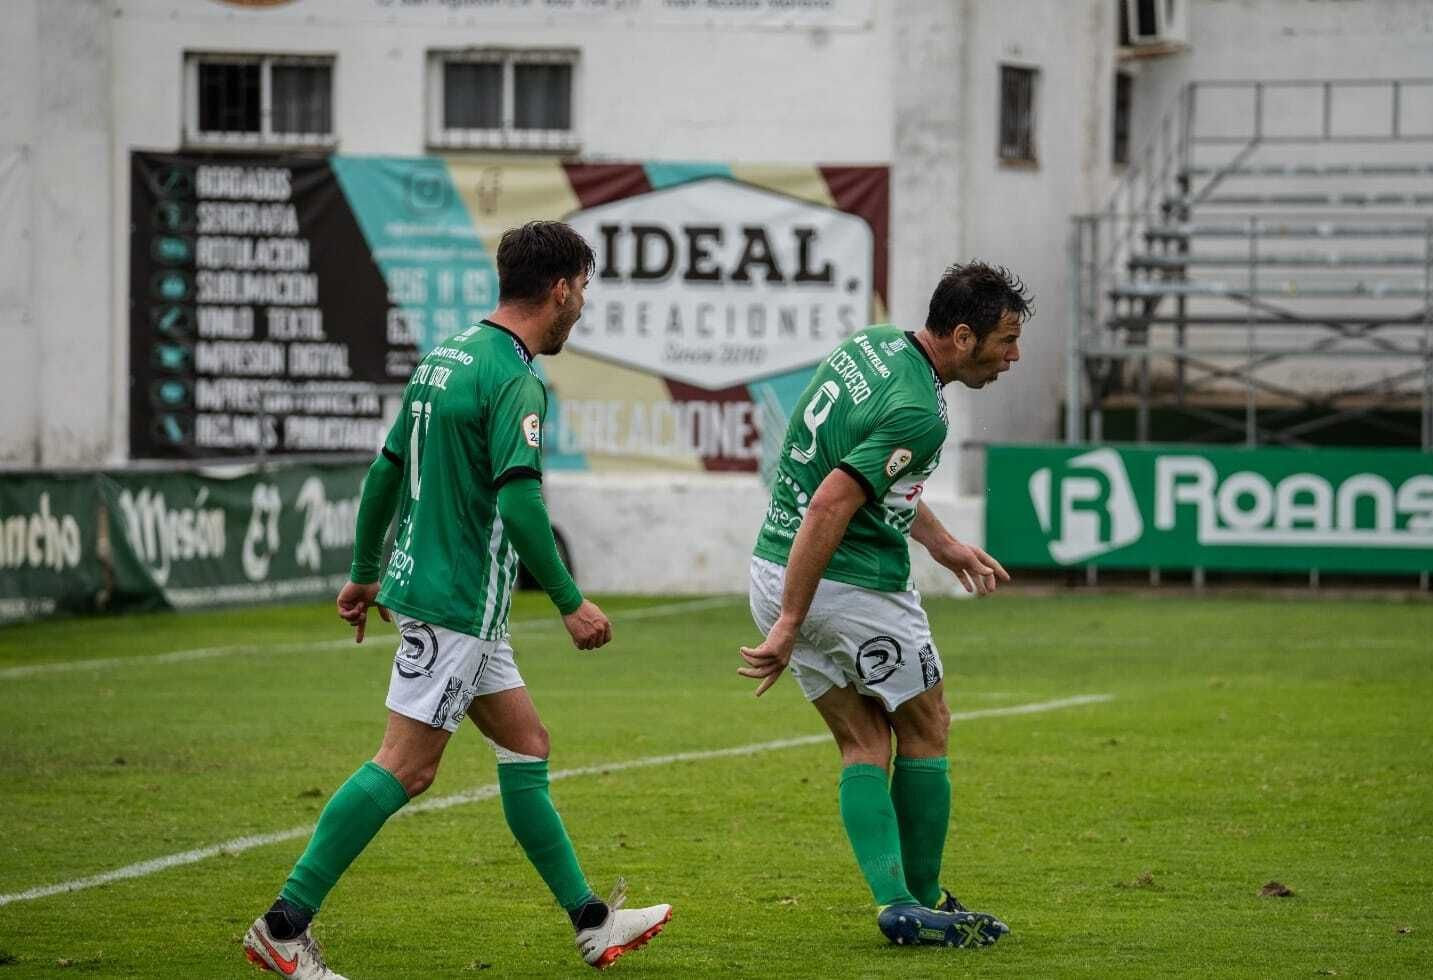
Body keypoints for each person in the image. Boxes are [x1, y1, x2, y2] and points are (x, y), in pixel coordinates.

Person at [243, 221, 671, 978]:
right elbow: (520, 505)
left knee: (526, 746)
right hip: (455, 603)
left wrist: (364, 569)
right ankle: (283, 925)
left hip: (446, 596)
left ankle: (591, 923)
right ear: (562, 287)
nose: (582, 306)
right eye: (584, 290)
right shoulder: (515, 377)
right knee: (406, 766)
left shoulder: (447, 356)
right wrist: (570, 600)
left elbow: (385, 471)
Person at [738, 261, 1031, 948]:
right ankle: (923, 899)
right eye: (1006, 340)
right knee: (928, 726)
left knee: (863, 739)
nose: (1013, 356)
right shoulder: (919, 412)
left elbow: (870, 480)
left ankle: (898, 899)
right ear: (963, 337)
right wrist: (790, 620)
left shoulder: (870, 347)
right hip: (849, 587)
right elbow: (832, 502)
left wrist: (944, 544)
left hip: (773, 565)